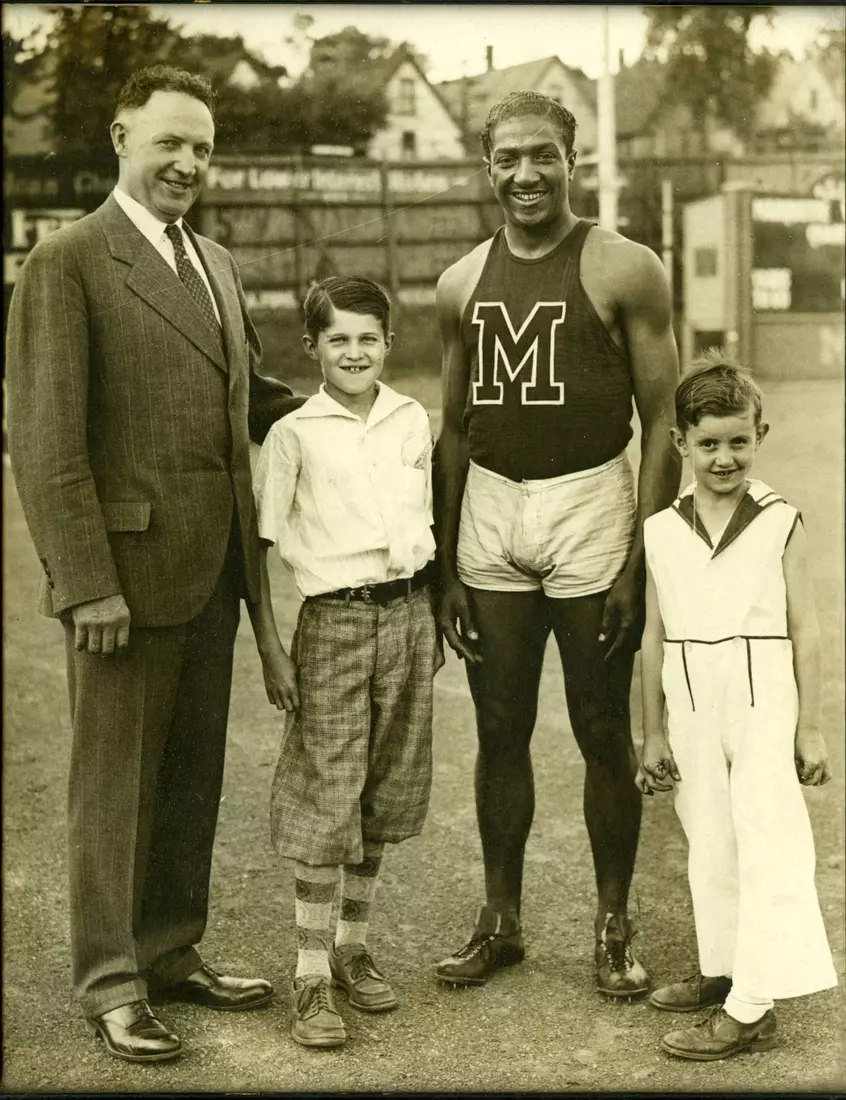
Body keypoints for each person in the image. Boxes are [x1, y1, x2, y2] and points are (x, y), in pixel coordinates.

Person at [5, 65, 304, 1063]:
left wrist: (361, 414)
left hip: (212, 567)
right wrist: (85, 581)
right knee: (114, 783)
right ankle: (110, 977)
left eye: (204, 148)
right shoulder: (68, 261)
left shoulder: (213, 260)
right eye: (170, 141)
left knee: (190, 776)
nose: (189, 162)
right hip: (122, 580)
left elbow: (242, 393)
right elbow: (45, 442)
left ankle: (170, 948)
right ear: (122, 135)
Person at [434, 90, 682, 996]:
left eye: (544, 156)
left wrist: (638, 556)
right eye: (508, 158)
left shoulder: (625, 267)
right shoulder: (460, 281)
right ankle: (501, 920)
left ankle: (614, 925)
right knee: (499, 728)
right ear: (487, 166)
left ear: (572, 160)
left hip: (590, 504)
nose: (526, 175)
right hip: (493, 513)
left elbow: (663, 420)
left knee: (600, 728)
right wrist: (447, 556)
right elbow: (455, 425)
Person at [250, 276, 441, 1049]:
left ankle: (353, 947)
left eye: (368, 337)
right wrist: (270, 644)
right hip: (331, 622)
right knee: (325, 794)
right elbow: (258, 547)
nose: (355, 351)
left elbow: (429, 521)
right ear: (314, 348)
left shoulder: (411, 421)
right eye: (339, 339)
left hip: (409, 617)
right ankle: (309, 975)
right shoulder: (296, 432)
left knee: (385, 791)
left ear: (389, 342)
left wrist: (433, 618)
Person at [636, 351, 836, 1060]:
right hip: (691, 694)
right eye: (709, 443)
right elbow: (652, 637)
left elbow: (806, 627)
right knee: (709, 837)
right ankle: (725, 968)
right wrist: (652, 732)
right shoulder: (661, 528)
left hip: (760, 691)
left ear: (761, 433)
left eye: (739, 441)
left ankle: (754, 1005)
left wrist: (809, 725)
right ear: (679, 443)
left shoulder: (781, 520)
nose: (725, 457)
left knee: (767, 836)